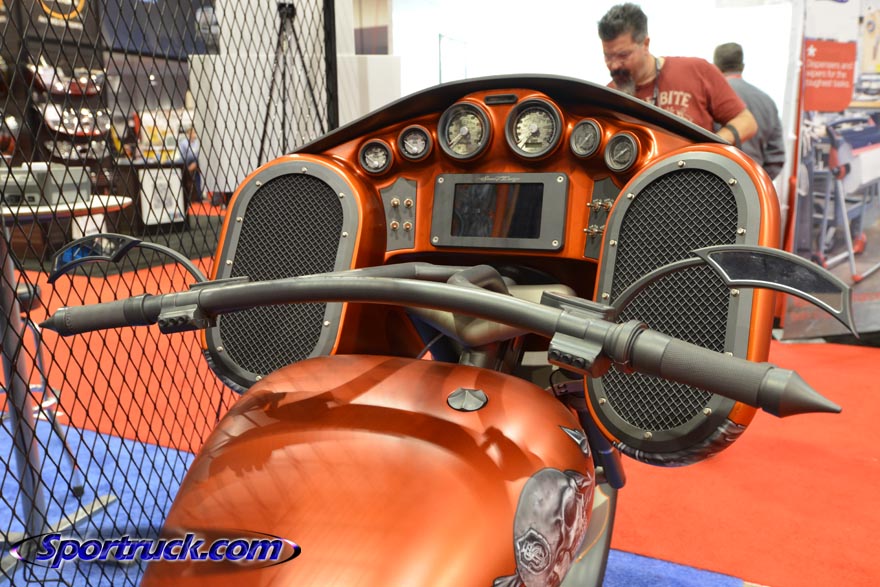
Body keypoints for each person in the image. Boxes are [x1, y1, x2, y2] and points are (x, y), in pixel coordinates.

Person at [597, 3, 757, 149]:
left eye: (623, 55)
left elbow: (746, 122)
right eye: (607, 56)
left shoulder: (697, 71)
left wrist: (708, 149)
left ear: (645, 44)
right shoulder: (608, 96)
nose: (614, 65)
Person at [713, 42, 786, 179]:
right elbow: (776, 155)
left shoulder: (710, 97)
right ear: (742, 66)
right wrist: (756, 182)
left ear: (715, 67)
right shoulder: (766, 101)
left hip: (714, 181)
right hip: (753, 180)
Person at [176, 124, 202, 202]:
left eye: (193, 133)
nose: (192, 134)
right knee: (191, 159)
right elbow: (183, 155)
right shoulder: (183, 143)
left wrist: (195, 164)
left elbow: (200, 154)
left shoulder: (198, 142)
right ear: (188, 134)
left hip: (196, 162)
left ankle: (198, 196)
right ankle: (191, 168)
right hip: (187, 162)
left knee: (197, 161)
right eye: (191, 133)